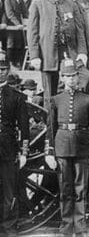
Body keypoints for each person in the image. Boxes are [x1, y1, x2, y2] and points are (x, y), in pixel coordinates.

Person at [45, 57, 89, 237]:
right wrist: (49, 152)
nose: (71, 79)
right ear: (61, 78)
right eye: (67, 76)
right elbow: (51, 127)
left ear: (78, 77)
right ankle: (66, 227)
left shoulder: (87, 99)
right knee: (65, 189)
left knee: (80, 189)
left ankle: (81, 227)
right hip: (61, 147)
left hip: (82, 147)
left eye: (74, 75)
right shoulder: (55, 100)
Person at [27, 0, 87, 110]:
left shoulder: (70, 4)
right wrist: (35, 56)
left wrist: (82, 51)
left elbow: (80, 30)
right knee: (50, 95)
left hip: (68, 53)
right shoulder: (38, 4)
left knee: (75, 86)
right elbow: (32, 32)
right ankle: (51, 128)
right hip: (48, 55)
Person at [0, 48, 29, 237]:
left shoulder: (17, 97)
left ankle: (8, 229)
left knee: (9, 192)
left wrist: (24, 152)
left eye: (3, 69)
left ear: (8, 70)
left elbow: (25, 127)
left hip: (8, 150)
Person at [4, 0, 28, 69]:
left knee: (19, 44)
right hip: (11, 26)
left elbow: (26, 13)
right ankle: (10, 63)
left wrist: (28, 22)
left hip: (19, 27)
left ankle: (18, 62)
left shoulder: (20, 1)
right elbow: (9, 14)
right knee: (10, 43)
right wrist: (17, 24)